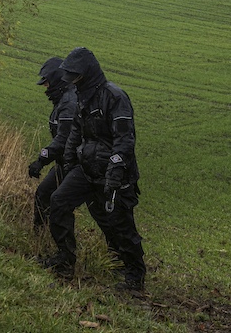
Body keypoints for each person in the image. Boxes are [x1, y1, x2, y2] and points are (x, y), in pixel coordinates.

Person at [43, 47, 146, 291]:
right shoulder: (81, 96)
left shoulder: (114, 96)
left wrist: (116, 171)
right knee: (58, 201)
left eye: (74, 76)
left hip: (114, 172)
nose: (70, 82)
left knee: (121, 224)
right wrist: (69, 162)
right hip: (86, 168)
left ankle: (134, 275)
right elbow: (76, 132)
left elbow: (125, 138)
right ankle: (65, 259)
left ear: (86, 73)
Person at [28, 57, 78, 233]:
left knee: (59, 201)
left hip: (77, 165)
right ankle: (40, 237)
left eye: (47, 83)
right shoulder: (64, 100)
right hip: (66, 163)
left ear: (57, 79)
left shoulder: (69, 103)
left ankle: (64, 254)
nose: (45, 88)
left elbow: (63, 139)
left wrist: (41, 159)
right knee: (44, 193)